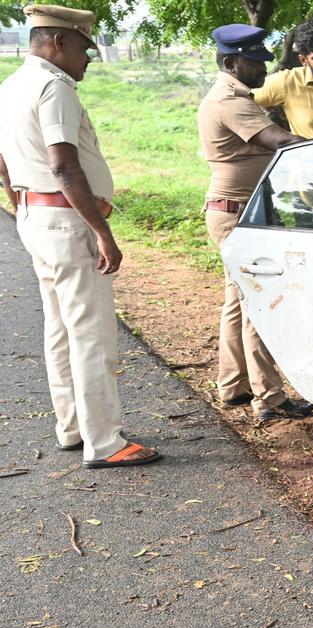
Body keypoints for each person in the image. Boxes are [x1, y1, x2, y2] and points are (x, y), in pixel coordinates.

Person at [0, 5, 160, 468]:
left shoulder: (10, 86)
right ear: (58, 43)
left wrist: (17, 202)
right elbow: (63, 165)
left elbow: (4, 162)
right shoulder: (54, 87)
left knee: (60, 327)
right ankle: (105, 442)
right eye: (84, 46)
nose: (89, 56)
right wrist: (102, 230)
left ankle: (72, 427)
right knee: (90, 333)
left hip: (35, 217)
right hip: (67, 223)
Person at [198, 24, 313, 422]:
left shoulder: (234, 95)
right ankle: (269, 399)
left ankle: (233, 384)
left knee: (237, 300)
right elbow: (279, 141)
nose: (262, 68)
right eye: (254, 62)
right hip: (238, 214)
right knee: (259, 302)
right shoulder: (230, 101)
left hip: (238, 211)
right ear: (231, 62)